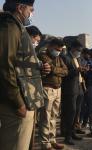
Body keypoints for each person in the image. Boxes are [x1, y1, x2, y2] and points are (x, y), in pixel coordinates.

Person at [0, 1, 51, 149]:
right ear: (20, 8)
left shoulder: (16, 27)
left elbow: (18, 63)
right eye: (30, 9)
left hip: (23, 99)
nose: (31, 14)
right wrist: (18, 102)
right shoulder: (10, 26)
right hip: (16, 104)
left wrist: (38, 69)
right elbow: (4, 65)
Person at [38, 38, 68, 149]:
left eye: (60, 50)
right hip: (47, 88)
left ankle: (52, 140)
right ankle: (45, 143)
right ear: (50, 46)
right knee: (45, 117)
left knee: (54, 116)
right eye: (56, 49)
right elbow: (50, 68)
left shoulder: (59, 58)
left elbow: (66, 71)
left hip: (57, 89)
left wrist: (55, 70)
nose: (58, 51)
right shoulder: (43, 55)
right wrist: (58, 70)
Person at [61, 40, 87, 145]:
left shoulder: (79, 59)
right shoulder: (65, 58)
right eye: (78, 50)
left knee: (77, 112)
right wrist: (77, 70)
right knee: (70, 113)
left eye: (80, 50)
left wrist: (83, 70)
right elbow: (64, 73)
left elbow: (79, 71)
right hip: (70, 89)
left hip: (79, 87)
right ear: (72, 49)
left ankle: (72, 133)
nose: (79, 52)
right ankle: (67, 136)